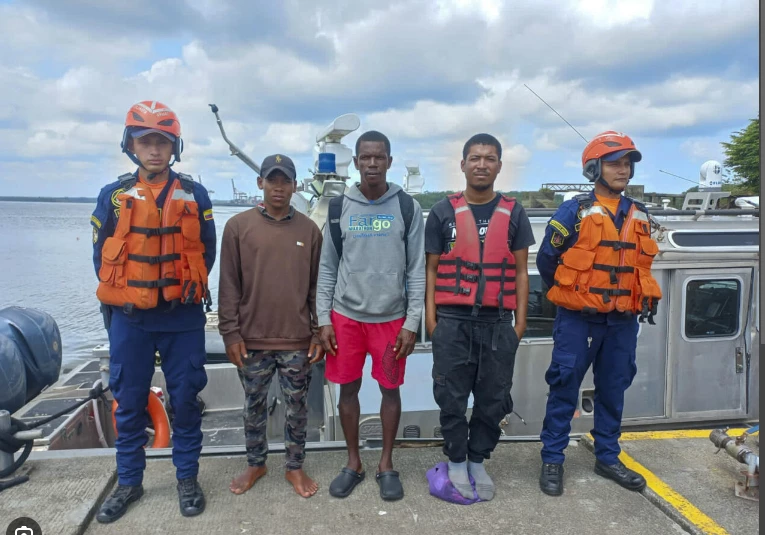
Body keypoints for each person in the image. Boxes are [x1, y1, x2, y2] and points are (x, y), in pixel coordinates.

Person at [91, 101, 216, 522]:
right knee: (128, 402)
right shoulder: (112, 196)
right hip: (131, 318)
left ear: (174, 147)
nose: (154, 150)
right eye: (145, 142)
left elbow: (207, 251)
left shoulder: (196, 195)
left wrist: (178, 287)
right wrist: (130, 296)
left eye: (162, 142)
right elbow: (100, 258)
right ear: (131, 146)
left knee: (184, 399)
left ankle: (187, 479)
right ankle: (129, 482)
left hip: (182, 317)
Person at [536, 131, 662, 496]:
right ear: (595, 168)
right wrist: (573, 294)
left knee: (613, 390)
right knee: (563, 387)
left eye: (627, 164)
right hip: (579, 320)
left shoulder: (640, 214)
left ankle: (607, 457)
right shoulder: (573, 212)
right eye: (614, 163)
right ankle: (552, 460)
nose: (623, 170)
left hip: (622, 321)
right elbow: (548, 260)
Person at [424, 133, 535, 501]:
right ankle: (456, 461)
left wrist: (519, 325)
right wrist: (432, 321)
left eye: (489, 158)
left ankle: (477, 460)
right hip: (452, 323)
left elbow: (521, 271)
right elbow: (431, 270)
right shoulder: (442, 212)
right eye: (475, 158)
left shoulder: (514, 212)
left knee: (492, 400)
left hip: (498, 323)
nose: (482, 164)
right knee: (451, 398)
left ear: (499, 166)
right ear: (463, 164)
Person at [316, 130, 425, 501]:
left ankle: (386, 464)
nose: (372, 164)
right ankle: (353, 462)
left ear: (390, 162)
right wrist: (324, 319)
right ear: (357, 162)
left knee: (390, 390)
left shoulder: (407, 207)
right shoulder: (338, 208)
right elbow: (327, 268)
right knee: (348, 389)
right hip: (346, 318)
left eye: (379, 157)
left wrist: (413, 322)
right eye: (365, 157)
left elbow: (416, 271)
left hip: (391, 319)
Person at [217, 154, 325, 499]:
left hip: (296, 339)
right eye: (272, 180)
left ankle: (294, 467)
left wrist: (319, 330)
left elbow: (317, 288)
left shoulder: (309, 230)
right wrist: (230, 333)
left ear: (295, 186)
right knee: (253, 406)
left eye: (285, 181)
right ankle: (256, 462)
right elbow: (228, 285)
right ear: (260, 182)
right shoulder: (237, 226)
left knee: (297, 408)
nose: (279, 187)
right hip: (251, 339)